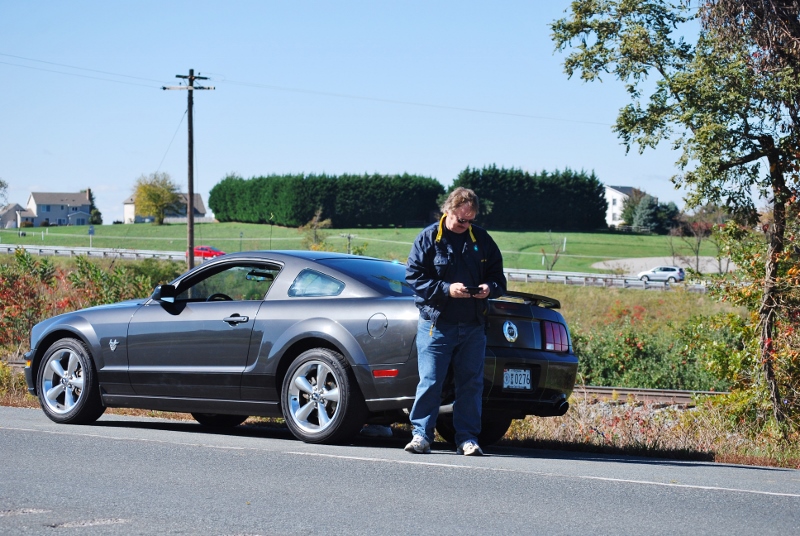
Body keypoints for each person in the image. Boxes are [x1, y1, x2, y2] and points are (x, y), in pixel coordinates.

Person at [404, 187, 506, 456]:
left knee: (471, 384)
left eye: (470, 220)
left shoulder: (482, 239)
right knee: (431, 380)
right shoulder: (427, 238)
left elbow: (499, 278)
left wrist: (489, 288)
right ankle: (421, 436)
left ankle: (467, 439)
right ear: (447, 211)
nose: (465, 224)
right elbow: (414, 277)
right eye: (461, 219)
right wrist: (446, 289)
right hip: (436, 325)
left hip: (473, 326)